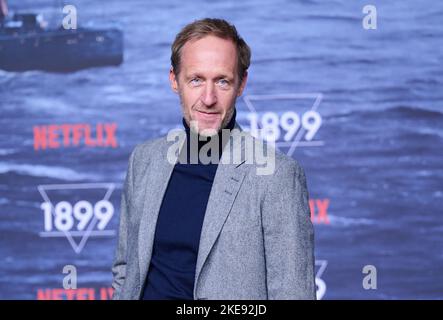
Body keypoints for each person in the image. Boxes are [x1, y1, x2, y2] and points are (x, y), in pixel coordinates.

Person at [111, 18, 316, 300]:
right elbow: (126, 270)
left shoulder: (277, 174)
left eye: (222, 81)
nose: (208, 98)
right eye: (196, 80)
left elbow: (294, 293)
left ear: (241, 84)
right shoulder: (144, 160)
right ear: (174, 80)